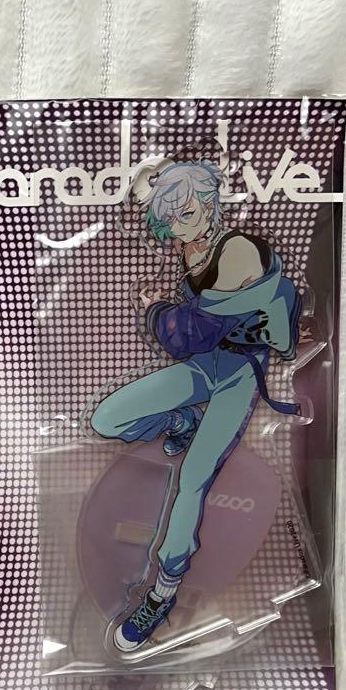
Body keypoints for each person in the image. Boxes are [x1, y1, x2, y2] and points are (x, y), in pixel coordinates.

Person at [90, 160, 302, 652]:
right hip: (205, 366)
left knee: (193, 480)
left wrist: (154, 310)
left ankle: (161, 593)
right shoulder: (191, 248)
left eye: (187, 212)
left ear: (209, 200)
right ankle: (183, 420)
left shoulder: (238, 250)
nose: (181, 226)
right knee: (107, 417)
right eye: (170, 219)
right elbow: (193, 334)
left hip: (239, 374)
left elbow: (189, 334)